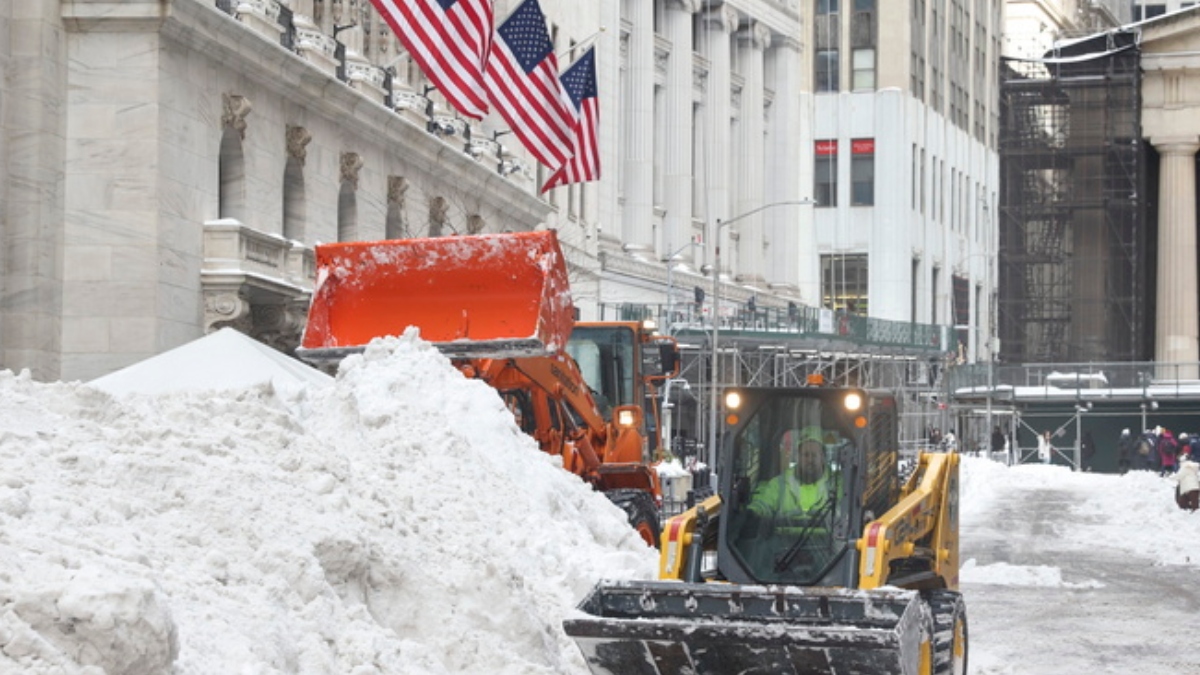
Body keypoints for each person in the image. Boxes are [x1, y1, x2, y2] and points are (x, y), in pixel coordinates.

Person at [748, 427, 831, 522]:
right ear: (797, 456)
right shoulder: (780, 483)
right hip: (783, 536)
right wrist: (753, 512)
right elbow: (763, 504)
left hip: (829, 536)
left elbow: (843, 509)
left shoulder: (836, 484)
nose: (810, 460)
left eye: (814, 455)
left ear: (822, 457)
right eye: (806, 455)